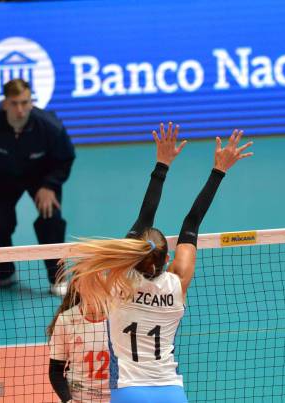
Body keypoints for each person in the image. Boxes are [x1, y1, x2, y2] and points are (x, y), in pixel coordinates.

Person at [61, 122, 252, 403]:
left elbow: (145, 218)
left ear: (133, 252)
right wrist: (219, 170)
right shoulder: (178, 283)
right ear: (169, 260)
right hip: (171, 391)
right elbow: (192, 223)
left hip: (128, 390)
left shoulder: (119, 279)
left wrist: (162, 165)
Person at [0, 78, 75, 296]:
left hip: (41, 177)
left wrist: (50, 185)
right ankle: (4, 274)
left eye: (25, 102)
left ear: (31, 102)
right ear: (5, 104)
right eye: (14, 103)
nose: (20, 110)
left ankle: (57, 277)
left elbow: (65, 157)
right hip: (1, 175)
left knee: (50, 219)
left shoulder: (50, 126)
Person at [47, 281, 110, 402]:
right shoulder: (66, 320)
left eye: (99, 282)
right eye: (91, 282)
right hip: (79, 399)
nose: (96, 287)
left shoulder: (119, 317)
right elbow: (56, 372)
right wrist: (69, 401)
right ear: (78, 286)